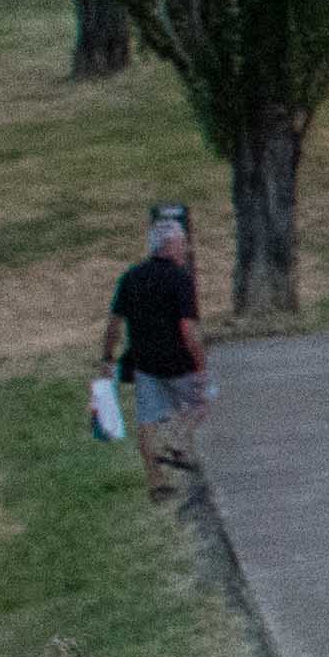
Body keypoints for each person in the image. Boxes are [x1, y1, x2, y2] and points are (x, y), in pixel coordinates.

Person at [105, 205, 208, 495]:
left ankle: (156, 481)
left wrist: (106, 357)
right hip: (178, 361)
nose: (185, 250)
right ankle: (177, 439)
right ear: (170, 246)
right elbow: (187, 329)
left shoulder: (131, 278)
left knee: (147, 420)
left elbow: (114, 323)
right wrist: (200, 364)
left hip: (143, 363)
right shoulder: (180, 279)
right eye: (182, 244)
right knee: (203, 398)